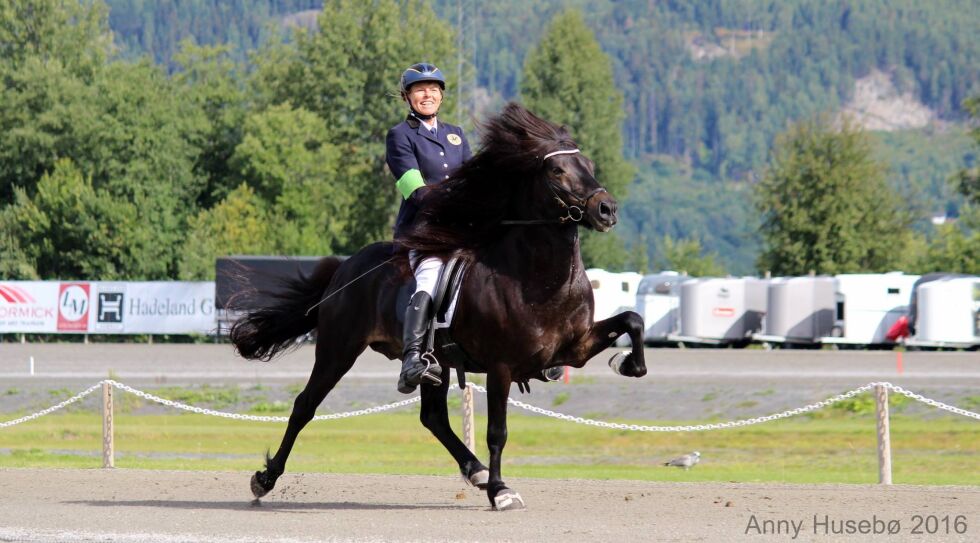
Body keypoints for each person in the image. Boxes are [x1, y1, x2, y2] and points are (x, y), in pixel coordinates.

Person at [386, 62, 472, 394]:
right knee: (430, 279)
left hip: (462, 231)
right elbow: (415, 189)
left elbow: (472, 179)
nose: (428, 94)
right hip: (424, 232)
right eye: (420, 89)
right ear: (408, 97)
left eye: (434, 89)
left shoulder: (456, 134)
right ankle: (412, 359)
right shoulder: (400, 135)